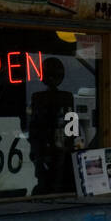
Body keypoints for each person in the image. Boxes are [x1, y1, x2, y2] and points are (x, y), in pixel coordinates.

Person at [29, 58, 76, 195]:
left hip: (54, 147)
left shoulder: (39, 97)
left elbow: (33, 126)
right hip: (51, 146)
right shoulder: (65, 97)